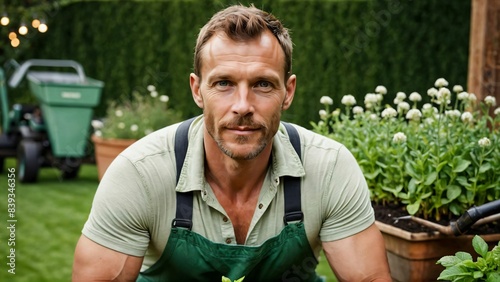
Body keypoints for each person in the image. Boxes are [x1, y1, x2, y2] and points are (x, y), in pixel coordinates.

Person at [72, 4, 391, 282]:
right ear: (197, 90)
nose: (242, 105)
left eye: (262, 84)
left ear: (288, 92)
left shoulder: (329, 168)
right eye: (223, 83)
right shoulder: (139, 173)